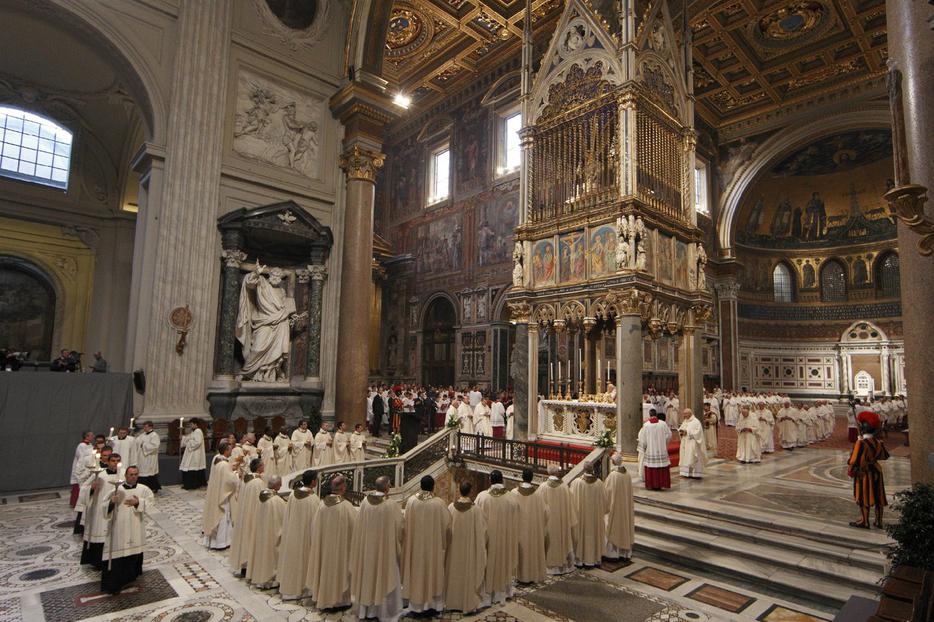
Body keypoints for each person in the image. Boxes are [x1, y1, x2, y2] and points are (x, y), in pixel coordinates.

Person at [350, 476, 404, 622]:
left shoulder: (365, 503)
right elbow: (400, 527)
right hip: (385, 551)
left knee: (368, 578)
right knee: (384, 576)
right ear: (387, 487)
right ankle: (385, 612)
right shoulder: (390, 505)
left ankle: (366, 611)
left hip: (367, 550)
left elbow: (358, 525)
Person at [305, 474, 357, 609]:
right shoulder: (346, 506)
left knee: (324, 569)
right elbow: (356, 529)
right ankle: (339, 601)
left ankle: (324, 597)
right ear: (343, 487)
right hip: (340, 550)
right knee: (339, 571)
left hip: (324, 549)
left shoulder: (322, 505)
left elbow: (314, 527)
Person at [100, 466, 153, 594]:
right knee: (117, 557)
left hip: (135, 527)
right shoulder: (117, 490)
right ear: (126, 476)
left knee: (132, 555)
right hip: (119, 528)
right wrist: (111, 503)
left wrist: (138, 502)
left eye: (135, 474)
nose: (133, 477)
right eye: (131, 474)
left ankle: (129, 580)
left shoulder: (143, 489)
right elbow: (104, 507)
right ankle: (114, 585)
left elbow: (150, 504)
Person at [403, 475, 451, 613]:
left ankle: (415, 606)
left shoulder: (411, 501)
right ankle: (433, 605)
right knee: (432, 572)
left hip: (415, 547)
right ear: (433, 487)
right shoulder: (438, 503)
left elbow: (405, 523)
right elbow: (447, 525)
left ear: (420, 486)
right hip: (432, 547)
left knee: (416, 572)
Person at [476, 470, 519, 605]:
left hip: (488, 541)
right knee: (503, 563)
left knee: (488, 565)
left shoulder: (482, 497)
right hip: (506, 539)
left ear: (490, 480)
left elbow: (477, 519)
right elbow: (516, 521)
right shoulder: (511, 498)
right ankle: (503, 592)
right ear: (502, 480)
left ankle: (488, 595)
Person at [278, 470, 321, 600]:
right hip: (306, 537)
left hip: (292, 535)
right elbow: (316, 523)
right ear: (313, 482)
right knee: (305, 561)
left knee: (293, 561)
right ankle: (302, 588)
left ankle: (290, 589)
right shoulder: (313, 499)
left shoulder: (292, 495)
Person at [444, 481, 487, 614]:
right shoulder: (476, 510)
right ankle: (467, 602)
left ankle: (452, 602)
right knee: (469, 572)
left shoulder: (451, 507)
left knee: (453, 570)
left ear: (459, 490)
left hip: (453, 550)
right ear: (470, 492)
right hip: (469, 551)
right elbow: (483, 531)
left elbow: (446, 528)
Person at [81, 452, 124, 570]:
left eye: (117, 461)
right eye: (113, 461)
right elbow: (84, 488)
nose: (115, 463)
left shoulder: (124, 474)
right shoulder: (100, 474)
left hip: (118, 510)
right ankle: (98, 562)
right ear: (108, 462)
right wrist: (91, 488)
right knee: (101, 535)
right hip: (100, 511)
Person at [848, 411, 889, 529]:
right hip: (876, 470)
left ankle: (865, 521)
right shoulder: (878, 442)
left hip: (865, 472)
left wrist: (857, 444)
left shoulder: (861, 443)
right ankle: (878, 521)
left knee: (863, 496)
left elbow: (854, 460)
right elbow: (884, 456)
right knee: (878, 495)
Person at [247, 475, 286, 588]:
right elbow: (284, 519)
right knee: (271, 554)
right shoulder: (277, 501)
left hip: (262, 531)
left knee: (262, 553)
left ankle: (260, 576)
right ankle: (270, 578)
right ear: (277, 485)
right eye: (280, 484)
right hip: (272, 534)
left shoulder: (261, 496)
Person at [536, 464, 577, 574]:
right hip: (562, 522)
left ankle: (549, 567)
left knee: (549, 542)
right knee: (561, 540)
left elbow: (538, 506)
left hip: (548, 523)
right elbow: (570, 506)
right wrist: (569, 518)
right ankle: (562, 565)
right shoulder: (564, 487)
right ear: (557, 472)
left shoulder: (543, 487)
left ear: (548, 472)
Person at [229, 459, 265, 576]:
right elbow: (262, 501)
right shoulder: (258, 483)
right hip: (254, 515)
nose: (264, 467)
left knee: (246, 539)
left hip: (245, 514)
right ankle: (252, 568)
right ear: (259, 468)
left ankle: (245, 567)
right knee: (252, 539)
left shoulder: (246, 480)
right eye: (263, 465)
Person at [202, 441, 239, 550]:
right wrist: (236, 474)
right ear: (226, 450)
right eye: (230, 449)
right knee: (223, 518)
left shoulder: (219, 462)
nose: (231, 451)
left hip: (218, 492)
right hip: (223, 496)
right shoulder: (224, 464)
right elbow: (230, 481)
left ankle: (215, 542)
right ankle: (221, 542)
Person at [513, 467, 547, 584]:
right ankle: (531, 575)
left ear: (522, 477)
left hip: (518, 530)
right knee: (531, 550)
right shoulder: (538, 495)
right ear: (532, 479)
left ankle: (520, 576)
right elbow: (545, 513)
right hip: (533, 531)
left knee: (521, 552)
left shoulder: (514, 493)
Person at [571, 462, 605, 568]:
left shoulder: (577, 483)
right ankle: (594, 559)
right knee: (593, 534)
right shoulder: (599, 483)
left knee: (581, 534)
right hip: (594, 518)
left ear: (583, 469)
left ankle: (580, 560)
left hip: (581, 517)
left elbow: (571, 502)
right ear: (592, 469)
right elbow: (605, 502)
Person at [604, 453, 635, 561]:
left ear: (613, 462)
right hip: (625, 507)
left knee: (613, 526)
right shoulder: (627, 474)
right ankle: (624, 553)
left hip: (615, 507)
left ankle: (613, 554)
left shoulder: (613, 475)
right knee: (624, 527)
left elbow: (607, 493)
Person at [637, 412, 671, 490]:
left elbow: (643, 439)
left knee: (652, 466)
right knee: (661, 466)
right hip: (661, 450)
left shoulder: (646, 425)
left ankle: (652, 485)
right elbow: (669, 435)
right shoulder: (663, 424)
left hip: (651, 450)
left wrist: (643, 448)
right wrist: (663, 442)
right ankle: (661, 484)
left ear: (649, 415)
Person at [678, 409, 706, 479]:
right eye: (684, 414)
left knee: (693, 457)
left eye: (685, 414)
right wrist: (681, 432)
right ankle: (686, 473)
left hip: (692, 443)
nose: (684, 415)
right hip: (685, 443)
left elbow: (698, 432)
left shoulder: (696, 422)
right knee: (685, 457)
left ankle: (695, 474)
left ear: (690, 414)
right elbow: (681, 428)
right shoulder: (685, 421)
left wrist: (687, 432)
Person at [70, 430, 94, 508]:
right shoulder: (81, 445)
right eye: (91, 435)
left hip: (88, 467)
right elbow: (81, 457)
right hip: (81, 467)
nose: (93, 436)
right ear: (86, 436)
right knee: (78, 485)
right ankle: (75, 503)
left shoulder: (90, 445)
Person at [179, 420, 207, 489]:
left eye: (191, 424)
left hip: (195, 453)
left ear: (195, 424)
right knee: (190, 468)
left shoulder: (198, 431)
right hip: (191, 452)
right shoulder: (193, 432)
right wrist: (183, 438)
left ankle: (194, 485)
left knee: (193, 468)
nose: (190, 426)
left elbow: (197, 442)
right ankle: (189, 484)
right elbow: (189, 438)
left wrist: (188, 442)